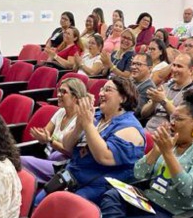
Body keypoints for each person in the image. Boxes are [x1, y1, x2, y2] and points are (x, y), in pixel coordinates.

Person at [95, 88, 193, 218]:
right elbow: (138, 173)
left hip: (172, 213)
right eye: (172, 117)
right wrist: (156, 151)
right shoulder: (170, 141)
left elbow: (188, 188)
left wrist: (168, 154)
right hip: (148, 201)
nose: (172, 123)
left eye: (178, 119)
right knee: (111, 196)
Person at [35, 76, 146, 205]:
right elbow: (67, 145)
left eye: (108, 90)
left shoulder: (130, 128)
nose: (101, 93)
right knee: (38, 201)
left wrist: (87, 124)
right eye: (102, 89)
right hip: (72, 174)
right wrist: (79, 125)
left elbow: (104, 157)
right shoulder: (98, 117)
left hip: (100, 185)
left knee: (61, 206)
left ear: (123, 98)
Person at [20, 78, 86, 182]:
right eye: (59, 90)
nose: (59, 94)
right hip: (48, 155)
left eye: (63, 92)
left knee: (20, 161)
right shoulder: (60, 112)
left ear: (75, 97)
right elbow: (46, 133)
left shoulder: (80, 120)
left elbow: (69, 151)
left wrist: (50, 141)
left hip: (63, 165)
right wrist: (41, 136)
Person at [141, 54, 193, 132]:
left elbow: (181, 120)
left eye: (179, 66)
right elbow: (143, 114)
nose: (174, 69)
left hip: (166, 137)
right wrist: (154, 102)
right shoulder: (165, 86)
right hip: (146, 131)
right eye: (173, 65)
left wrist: (163, 100)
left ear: (191, 71)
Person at [130, 53, 156, 120]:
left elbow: (136, 112)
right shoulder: (130, 81)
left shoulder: (149, 87)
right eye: (133, 64)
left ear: (149, 68)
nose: (134, 67)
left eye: (138, 64)